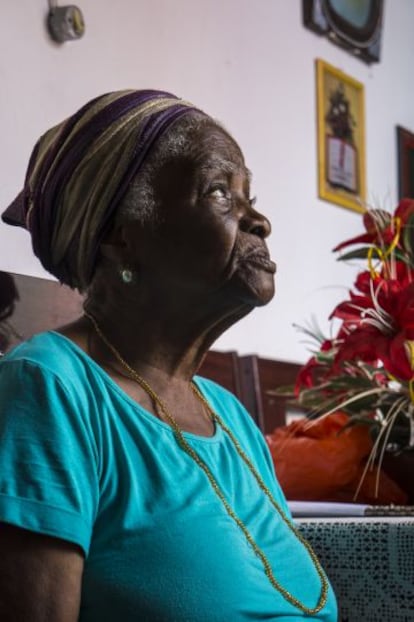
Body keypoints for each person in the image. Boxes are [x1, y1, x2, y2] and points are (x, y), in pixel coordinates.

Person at [0, 90, 337, 621]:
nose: (260, 221)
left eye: (251, 193)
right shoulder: (50, 389)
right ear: (120, 238)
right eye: (221, 192)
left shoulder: (231, 417)